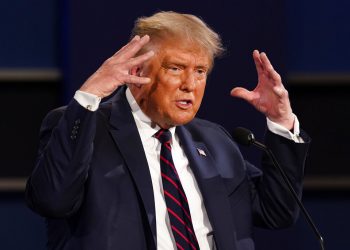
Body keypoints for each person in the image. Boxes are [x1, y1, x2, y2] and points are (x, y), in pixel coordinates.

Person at [25, 11, 310, 250]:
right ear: (137, 73)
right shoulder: (86, 127)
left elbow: (277, 211)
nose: (191, 84)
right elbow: (52, 200)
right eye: (176, 68)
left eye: (200, 71)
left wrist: (281, 121)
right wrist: (89, 95)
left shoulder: (214, 140)